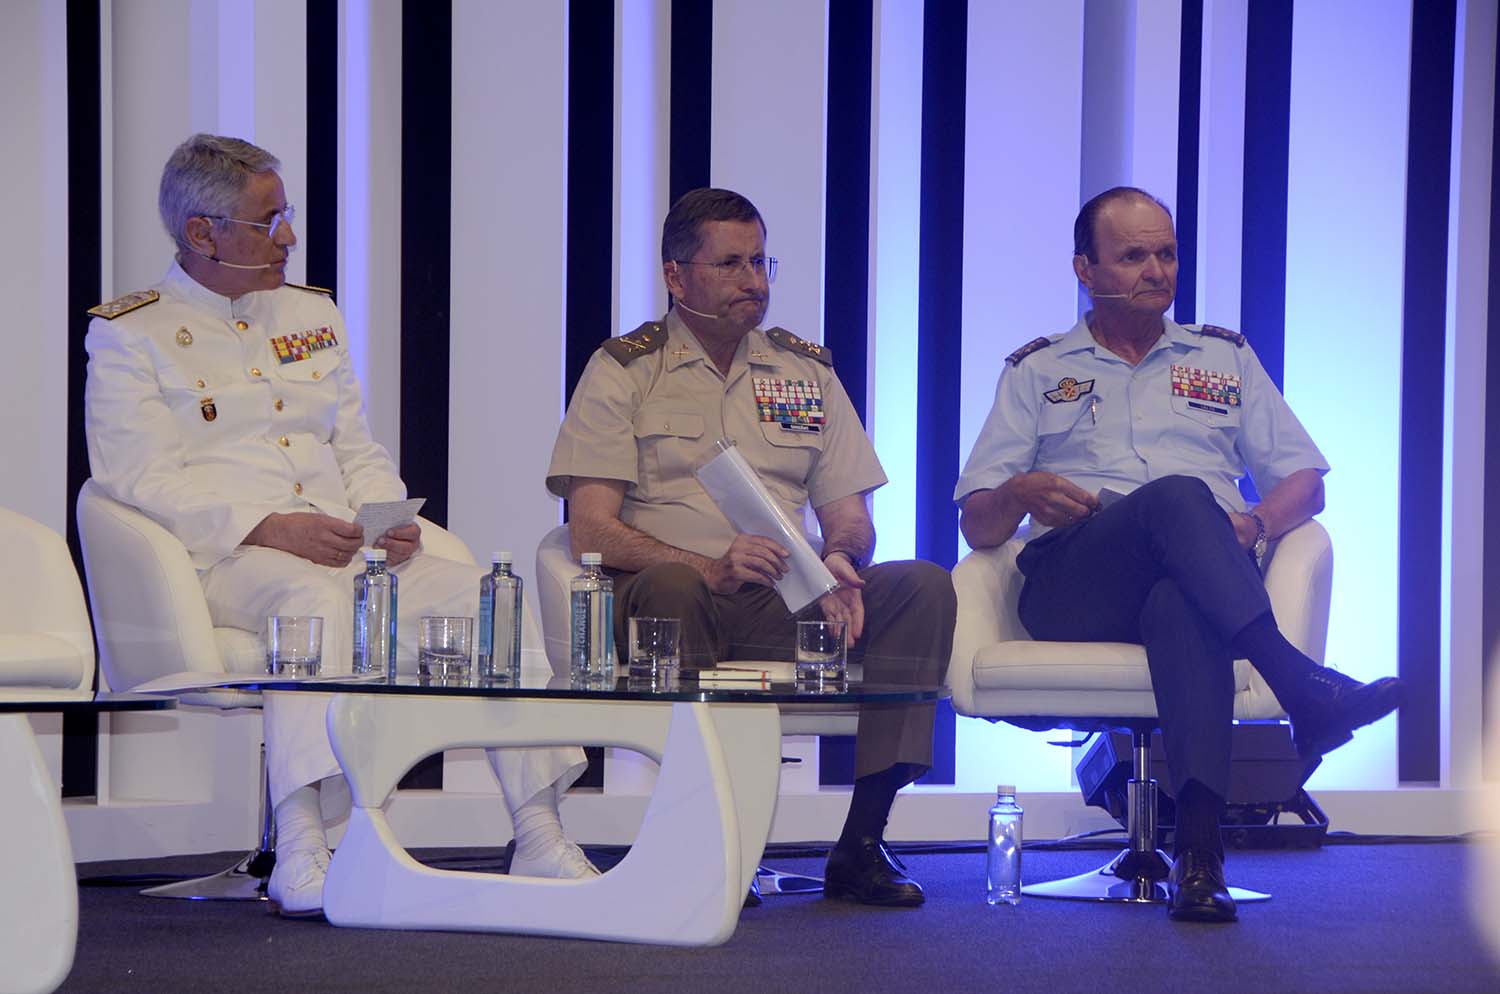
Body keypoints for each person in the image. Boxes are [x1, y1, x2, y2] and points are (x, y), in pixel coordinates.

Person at [84, 134, 592, 917]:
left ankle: (537, 832)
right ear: (200, 232)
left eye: (287, 214)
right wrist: (267, 527)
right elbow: (136, 477)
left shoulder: (311, 313)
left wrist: (389, 520)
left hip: (346, 548)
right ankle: (301, 848)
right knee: (307, 607)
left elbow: (355, 444)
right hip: (227, 560)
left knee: (497, 601)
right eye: (268, 220)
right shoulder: (130, 332)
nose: (288, 235)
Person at [953, 186, 1402, 923]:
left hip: (1200, 581)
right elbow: (978, 524)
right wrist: (1024, 489)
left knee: (1180, 596)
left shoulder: (1223, 358)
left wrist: (1255, 525)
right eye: (1132, 255)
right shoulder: (1036, 371)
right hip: (1074, 582)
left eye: (1166, 253)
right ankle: (1303, 687)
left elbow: (1305, 482)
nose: (1156, 269)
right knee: (1176, 496)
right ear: (1084, 269)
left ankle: (1199, 858)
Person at [546, 188, 956, 907]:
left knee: (923, 586)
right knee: (676, 588)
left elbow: (849, 511)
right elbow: (590, 528)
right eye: (731, 264)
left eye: (761, 261)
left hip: (785, 601)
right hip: (672, 600)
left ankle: (861, 844)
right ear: (677, 276)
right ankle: (708, 842)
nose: (754, 281)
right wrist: (709, 565)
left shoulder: (806, 370)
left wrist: (840, 562)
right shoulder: (624, 368)